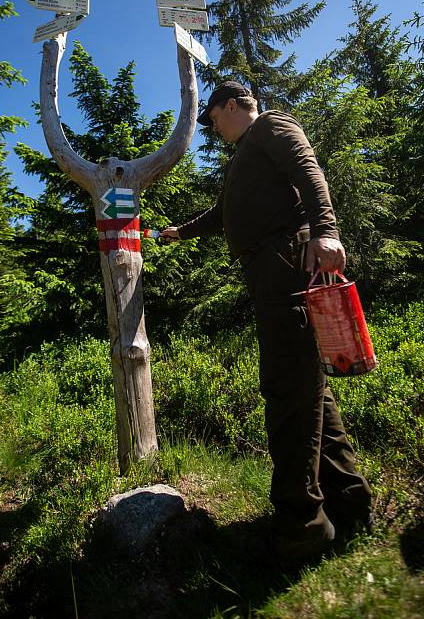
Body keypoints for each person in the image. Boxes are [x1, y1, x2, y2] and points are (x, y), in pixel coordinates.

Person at [161, 81, 373, 565]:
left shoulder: (270, 126)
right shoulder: (244, 159)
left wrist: (327, 231)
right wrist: (181, 232)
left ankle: (300, 527)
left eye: (213, 117)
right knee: (308, 389)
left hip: (286, 266)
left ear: (234, 105)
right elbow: (224, 213)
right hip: (271, 271)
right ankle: (350, 504)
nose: (212, 127)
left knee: (287, 390)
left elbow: (309, 170)